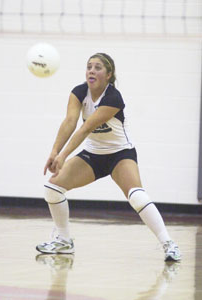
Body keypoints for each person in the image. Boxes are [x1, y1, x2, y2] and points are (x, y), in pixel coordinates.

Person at [36, 53, 181, 261]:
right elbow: (70, 122)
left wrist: (64, 155)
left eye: (97, 68)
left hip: (120, 154)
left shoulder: (113, 97)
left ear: (109, 74)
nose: (91, 71)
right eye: (89, 67)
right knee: (52, 188)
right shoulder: (79, 92)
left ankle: (169, 244)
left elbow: (86, 128)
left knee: (137, 195)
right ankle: (64, 241)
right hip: (93, 155)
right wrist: (54, 152)